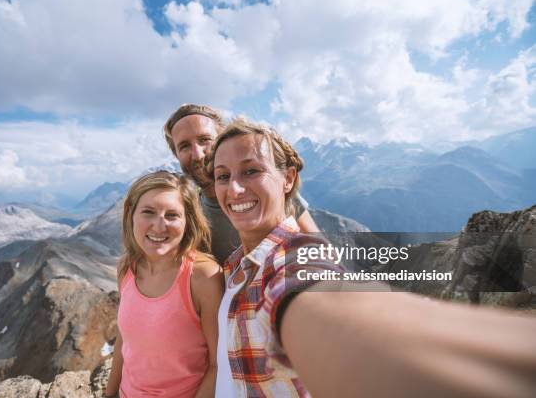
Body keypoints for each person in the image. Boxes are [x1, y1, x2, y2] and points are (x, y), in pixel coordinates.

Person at [208, 118, 536, 397]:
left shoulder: (297, 256)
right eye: (223, 176)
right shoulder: (235, 265)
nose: (234, 189)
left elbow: (312, 294)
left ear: (288, 178)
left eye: (251, 171)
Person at [105, 171, 224, 398]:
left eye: (172, 215)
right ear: (131, 214)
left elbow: (218, 364)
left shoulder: (203, 278)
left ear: (187, 220)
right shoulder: (127, 269)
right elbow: (125, 342)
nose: (159, 226)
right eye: (148, 212)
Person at [163, 104, 319, 264]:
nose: (197, 154)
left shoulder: (272, 191)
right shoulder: (188, 215)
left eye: (205, 140)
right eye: (184, 146)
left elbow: (322, 256)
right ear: (176, 155)